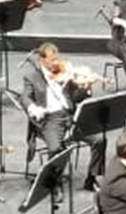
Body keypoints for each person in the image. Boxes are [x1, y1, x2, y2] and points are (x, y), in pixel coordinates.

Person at [21, 41, 105, 190]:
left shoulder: (65, 73)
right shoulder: (32, 76)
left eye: (57, 59)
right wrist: (33, 108)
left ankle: (91, 179)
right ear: (42, 60)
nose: (56, 63)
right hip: (50, 120)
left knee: (99, 140)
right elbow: (25, 97)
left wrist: (86, 88)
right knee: (55, 149)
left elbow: (76, 98)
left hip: (71, 116)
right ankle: (53, 182)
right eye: (52, 60)